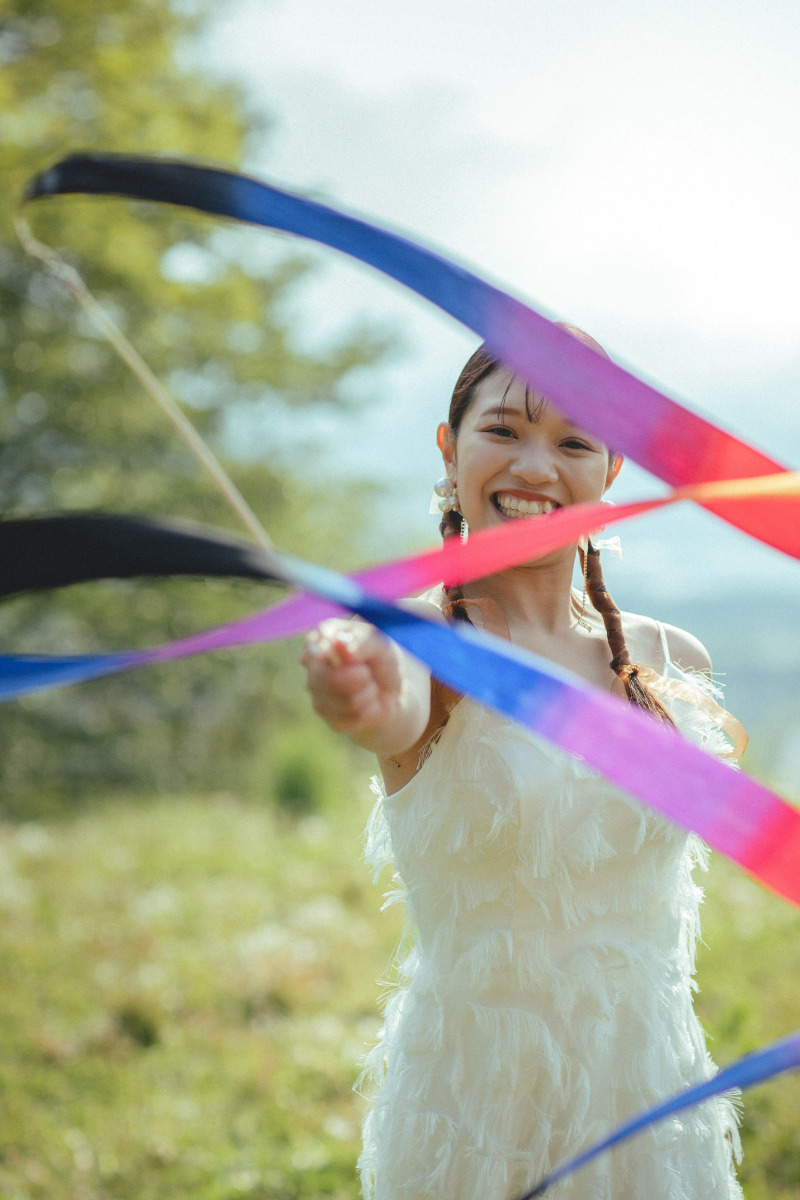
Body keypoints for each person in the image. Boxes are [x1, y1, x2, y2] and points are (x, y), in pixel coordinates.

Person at [301, 332, 743, 1200]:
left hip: (653, 1087)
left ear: (611, 472)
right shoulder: (418, 647)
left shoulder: (665, 654)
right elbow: (386, 709)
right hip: (476, 1112)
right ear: (449, 446)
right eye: (504, 430)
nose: (536, 467)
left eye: (575, 442)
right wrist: (352, 691)